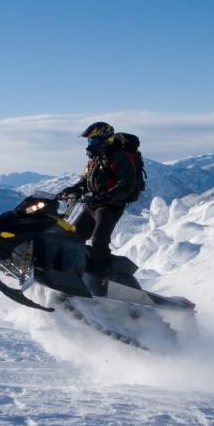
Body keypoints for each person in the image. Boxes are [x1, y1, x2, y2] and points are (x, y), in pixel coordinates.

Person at [57, 122, 138, 297]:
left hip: (110, 206)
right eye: (90, 140)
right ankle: (74, 276)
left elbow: (127, 185)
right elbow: (86, 181)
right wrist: (75, 189)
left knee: (99, 241)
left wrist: (106, 197)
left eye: (93, 140)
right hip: (92, 205)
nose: (90, 144)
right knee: (74, 237)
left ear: (105, 139)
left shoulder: (119, 156)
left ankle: (104, 282)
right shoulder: (95, 158)